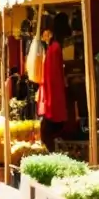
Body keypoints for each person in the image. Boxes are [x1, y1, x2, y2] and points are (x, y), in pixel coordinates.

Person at [38, 19, 68, 151]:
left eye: (44, 32)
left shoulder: (53, 48)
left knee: (48, 130)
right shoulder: (53, 47)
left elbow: (53, 76)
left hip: (52, 95)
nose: (43, 35)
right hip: (52, 95)